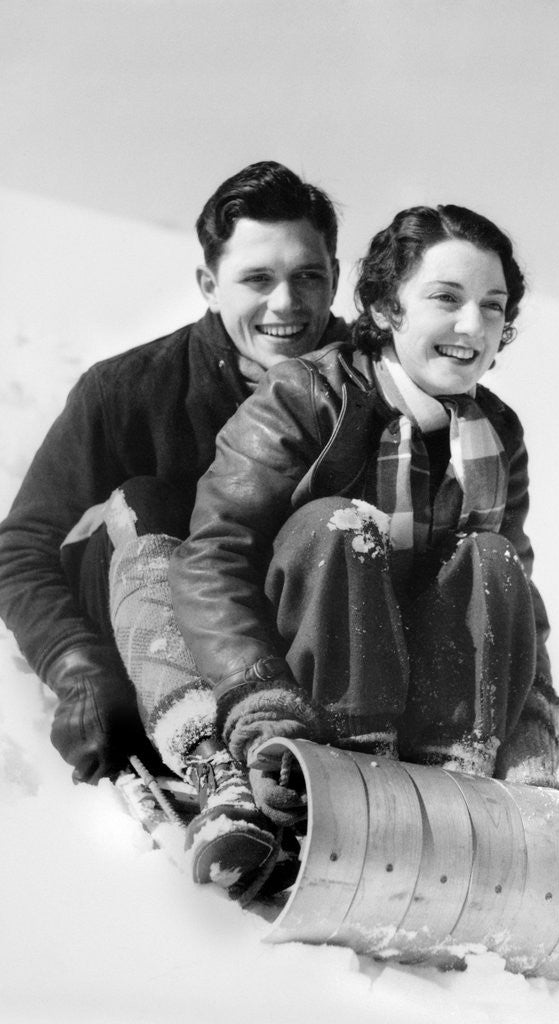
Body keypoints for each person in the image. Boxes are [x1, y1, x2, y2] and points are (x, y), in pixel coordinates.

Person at [106, 202, 559, 905]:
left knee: (492, 559)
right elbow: (217, 559)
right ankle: (322, 778)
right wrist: (264, 710)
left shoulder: (495, 436)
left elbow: (513, 606)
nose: (474, 326)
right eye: (446, 298)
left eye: (492, 306)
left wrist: (531, 748)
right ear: (384, 307)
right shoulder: (307, 396)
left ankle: (454, 784)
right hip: (303, 692)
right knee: (338, 527)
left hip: (421, 703)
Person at [0, 160, 347, 790]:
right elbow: (21, 548)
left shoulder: (373, 393)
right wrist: (76, 664)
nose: (286, 303)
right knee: (147, 501)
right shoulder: (129, 390)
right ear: (209, 284)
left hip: (296, 664)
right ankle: (203, 749)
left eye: (307, 276)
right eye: (257, 278)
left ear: (335, 279)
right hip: (154, 646)